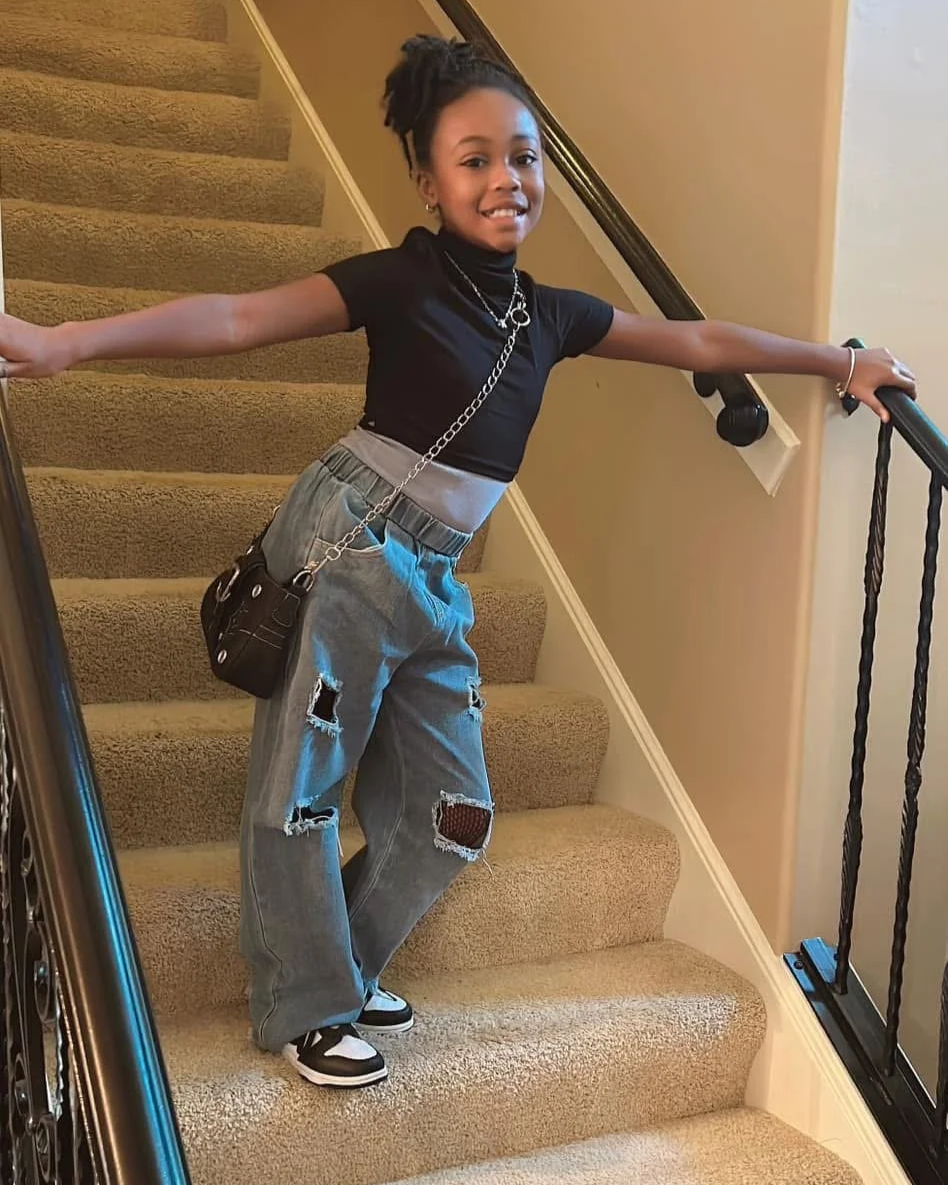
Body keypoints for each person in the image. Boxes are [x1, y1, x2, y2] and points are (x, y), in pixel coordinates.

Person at [0, 35, 916, 1090]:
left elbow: (696, 343)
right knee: (299, 790)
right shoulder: (399, 280)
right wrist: (68, 341)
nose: (505, 179)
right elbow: (241, 318)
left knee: (451, 811)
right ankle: (305, 1004)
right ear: (428, 179)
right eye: (474, 158)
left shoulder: (551, 316)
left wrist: (840, 362)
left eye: (522, 156)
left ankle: (332, 961)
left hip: (434, 576)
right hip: (349, 540)